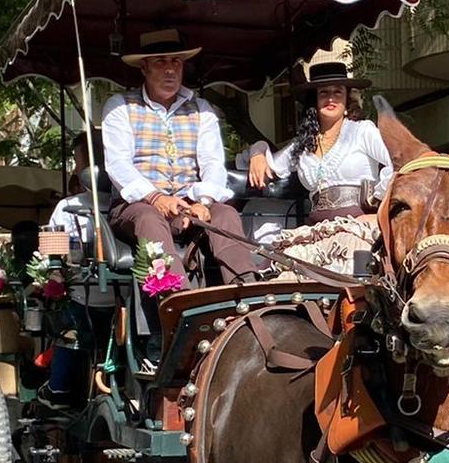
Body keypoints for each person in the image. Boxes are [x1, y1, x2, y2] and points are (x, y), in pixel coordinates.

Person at [99, 27, 256, 284]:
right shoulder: (120, 106)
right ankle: (177, 300)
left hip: (189, 202)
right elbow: (118, 165)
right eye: (161, 62)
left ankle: (247, 292)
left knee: (226, 215)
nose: (170, 69)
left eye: (176, 62)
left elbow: (214, 164)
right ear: (144, 68)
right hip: (137, 207)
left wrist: (203, 204)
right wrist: (156, 197)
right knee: (149, 218)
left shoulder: (202, 109)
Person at [246, 42, 394, 274]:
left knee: (359, 281)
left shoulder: (363, 131)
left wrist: (379, 209)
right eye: (324, 93)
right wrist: (257, 152)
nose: (331, 98)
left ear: (347, 99)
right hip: (317, 231)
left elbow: (399, 163)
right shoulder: (303, 145)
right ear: (314, 101)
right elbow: (269, 164)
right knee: (284, 273)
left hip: (359, 229)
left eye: (338, 92)